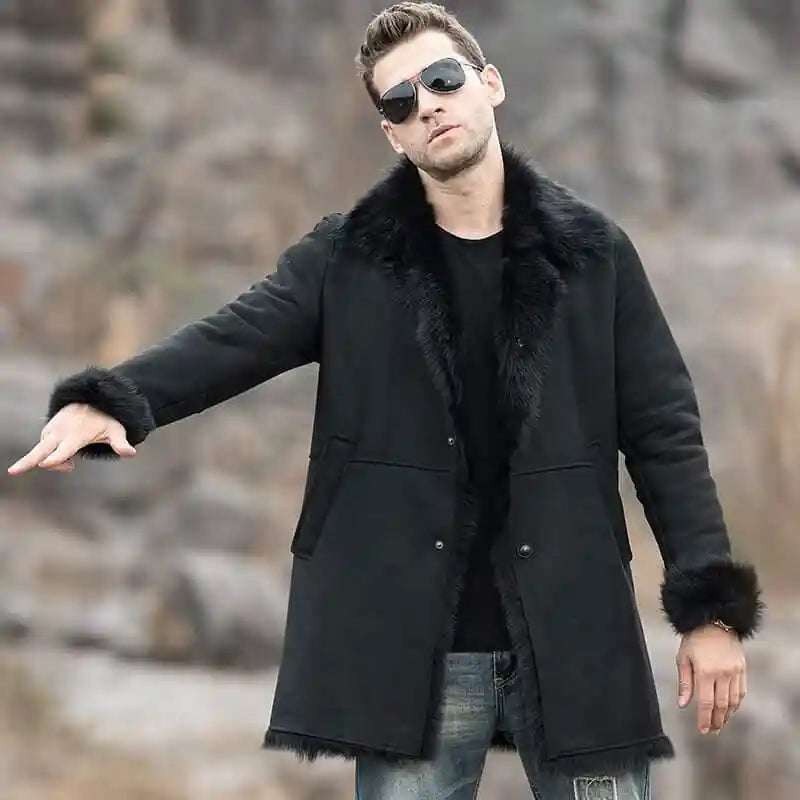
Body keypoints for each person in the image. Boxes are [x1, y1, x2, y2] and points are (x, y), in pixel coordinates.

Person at [8, 3, 764, 798]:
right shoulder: (349, 259)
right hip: (414, 655)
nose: (427, 105)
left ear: (490, 84)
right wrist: (116, 399)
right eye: (400, 102)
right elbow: (234, 338)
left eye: (442, 80)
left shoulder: (594, 254)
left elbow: (664, 434)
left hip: (576, 632)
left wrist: (711, 613)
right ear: (392, 135)